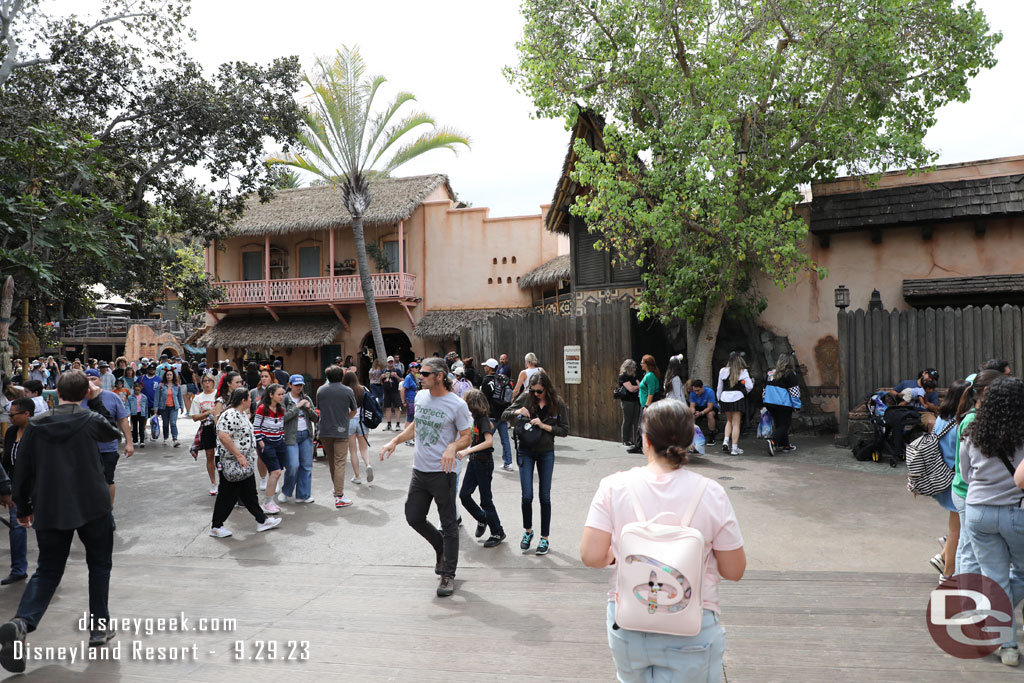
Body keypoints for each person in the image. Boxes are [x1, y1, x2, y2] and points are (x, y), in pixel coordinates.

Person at [580, 398, 745, 682]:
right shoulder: (711, 493)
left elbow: (591, 556)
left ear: (645, 440)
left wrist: (614, 554)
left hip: (629, 623)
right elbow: (734, 570)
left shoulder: (614, 486)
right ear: (690, 438)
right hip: (693, 626)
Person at [0, 370, 121, 672]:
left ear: (56, 392)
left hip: (51, 506)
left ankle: (23, 622)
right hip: (93, 505)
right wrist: (97, 401)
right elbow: (114, 434)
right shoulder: (90, 419)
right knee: (99, 565)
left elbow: (23, 469)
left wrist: (24, 506)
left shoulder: (36, 425)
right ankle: (98, 627)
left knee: (48, 569)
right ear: (84, 393)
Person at [380, 357, 472, 597]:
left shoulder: (457, 405)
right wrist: (395, 440)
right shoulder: (421, 397)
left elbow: (467, 436)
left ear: (440, 376)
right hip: (419, 471)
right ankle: (440, 546)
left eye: (425, 373)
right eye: (420, 372)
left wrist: (453, 447)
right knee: (414, 517)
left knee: (449, 523)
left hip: (443, 473)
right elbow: (415, 424)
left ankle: (447, 574)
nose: (420, 376)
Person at [961, 376, 1024, 667]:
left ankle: (1007, 646)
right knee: (1021, 574)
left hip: (978, 511)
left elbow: (964, 475)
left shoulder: (973, 432)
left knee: (994, 577)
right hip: (1016, 511)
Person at [502, 370, 569, 556]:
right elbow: (504, 415)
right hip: (526, 450)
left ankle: (544, 538)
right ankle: (528, 532)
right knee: (527, 496)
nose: (535, 394)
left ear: (547, 389)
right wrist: (517, 411)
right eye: (533, 391)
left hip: (546, 452)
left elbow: (564, 430)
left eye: (539, 391)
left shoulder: (557, 403)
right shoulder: (526, 397)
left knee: (544, 496)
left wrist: (543, 425)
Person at [209, 388, 282, 539]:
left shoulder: (241, 414)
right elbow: (223, 436)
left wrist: (255, 444)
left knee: (249, 493)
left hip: (243, 461)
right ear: (243, 400)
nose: (251, 400)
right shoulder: (230, 414)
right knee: (227, 495)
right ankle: (216, 526)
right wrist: (239, 455)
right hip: (231, 461)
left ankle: (262, 520)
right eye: (249, 398)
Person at [949, 369, 1001, 580]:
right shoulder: (972, 420)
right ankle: (966, 598)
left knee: (966, 545)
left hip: (967, 490)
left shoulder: (976, 417)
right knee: (969, 550)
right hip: (966, 491)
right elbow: (966, 467)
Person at [928, 379, 970, 582]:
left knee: (956, 528)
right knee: (957, 531)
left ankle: (944, 554)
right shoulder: (959, 423)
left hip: (942, 478)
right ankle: (947, 572)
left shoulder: (941, 419)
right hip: (956, 481)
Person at [457, 389, 505, 548]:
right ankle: (482, 518)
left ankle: (497, 531)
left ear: (472, 404)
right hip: (474, 462)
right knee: (464, 495)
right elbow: (486, 428)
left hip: (483, 463)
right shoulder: (477, 418)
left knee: (486, 500)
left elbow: (489, 441)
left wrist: (467, 450)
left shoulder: (482, 419)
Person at [82, 369, 132, 510]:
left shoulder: (112, 397)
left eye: (93, 379)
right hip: (84, 448)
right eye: (87, 379)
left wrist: (129, 442)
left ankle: (107, 509)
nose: (90, 382)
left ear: (100, 381)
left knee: (107, 479)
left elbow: (122, 420)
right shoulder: (78, 398)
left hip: (107, 447)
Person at [317, 365, 359, 509]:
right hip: (341, 430)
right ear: (341, 376)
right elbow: (354, 410)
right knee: (340, 462)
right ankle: (339, 496)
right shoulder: (347, 391)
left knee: (332, 462)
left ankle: (337, 490)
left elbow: (320, 408)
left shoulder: (320, 390)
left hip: (325, 430)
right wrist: (346, 419)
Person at [1, 398, 33, 586]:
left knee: (45, 527)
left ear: (26, 414)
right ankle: (18, 569)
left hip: (37, 487)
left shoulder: (38, 432)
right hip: (16, 487)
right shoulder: (12, 431)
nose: (10, 418)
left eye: (13, 415)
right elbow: (6, 459)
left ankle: (50, 567)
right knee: (17, 527)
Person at [278, 375, 318, 504]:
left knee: (306, 466)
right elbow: (282, 417)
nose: (299, 388)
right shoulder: (284, 399)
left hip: (306, 434)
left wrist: (308, 408)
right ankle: (286, 491)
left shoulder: (306, 398)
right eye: (296, 385)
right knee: (293, 465)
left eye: (301, 385)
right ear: (290, 385)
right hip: (291, 436)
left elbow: (315, 417)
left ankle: (303, 495)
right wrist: (297, 406)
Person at [252, 383, 287, 514]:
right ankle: (267, 502)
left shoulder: (281, 409)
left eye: (282, 394)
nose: (281, 397)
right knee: (276, 472)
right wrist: (260, 442)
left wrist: (282, 438)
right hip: (267, 444)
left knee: (276, 472)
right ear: (271, 395)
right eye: (279, 394)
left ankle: (270, 501)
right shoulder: (262, 408)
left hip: (279, 443)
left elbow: (282, 427)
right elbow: (256, 427)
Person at [763, 353, 801, 456]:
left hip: (770, 402)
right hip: (783, 404)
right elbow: (794, 392)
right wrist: (797, 406)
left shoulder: (770, 372)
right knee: (785, 424)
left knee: (779, 424)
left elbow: (765, 388)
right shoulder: (790, 374)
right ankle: (773, 441)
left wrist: (764, 400)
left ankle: (786, 445)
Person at [717, 352, 754, 456]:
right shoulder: (742, 371)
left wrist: (719, 399)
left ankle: (725, 441)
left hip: (724, 397)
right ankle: (734, 448)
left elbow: (719, 387)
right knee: (736, 423)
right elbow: (750, 386)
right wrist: (744, 392)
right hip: (737, 398)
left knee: (729, 421)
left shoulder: (722, 371)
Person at [190, 375, 221, 495]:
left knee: (222, 454)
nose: (207, 383)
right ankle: (213, 483)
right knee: (209, 454)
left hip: (220, 427)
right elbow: (194, 417)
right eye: (205, 381)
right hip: (207, 427)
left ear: (214, 382)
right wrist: (208, 413)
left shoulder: (218, 395)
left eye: (209, 381)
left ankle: (224, 481)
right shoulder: (198, 398)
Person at [481, 358, 515, 471]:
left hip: (492, 415)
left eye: (486, 366)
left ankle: (480, 459)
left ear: (490, 368)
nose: (484, 367)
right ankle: (508, 463)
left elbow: (484, 399)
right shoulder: (501, 379)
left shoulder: (486, 380)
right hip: (503, 413)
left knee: (485, 438)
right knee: (505, 439)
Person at [342, 371, 374, 486]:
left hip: (349, 421)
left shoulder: (344, 390)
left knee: (353, 450)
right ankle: (368, 464)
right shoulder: (363, 389)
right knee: (364, 448)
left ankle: (357, 476)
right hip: (362, 422)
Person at [155, 369, 184, 447]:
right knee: (165, 423)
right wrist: (155, 408)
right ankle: (166, 438)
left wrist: (182, 407)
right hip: (164, 407)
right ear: (165, 376)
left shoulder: (177, 386)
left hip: (174, 407)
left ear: (173, 376)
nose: (169, 376)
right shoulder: (161, 385)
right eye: (167, 375)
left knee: (173, 423)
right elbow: (157, 397)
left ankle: (175, 439)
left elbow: (180, 397)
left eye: (170, 375)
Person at [616, 359, 641, 451]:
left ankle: (635, 440)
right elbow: (630, 389)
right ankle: (626, 439)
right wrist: (637, 387)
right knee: (627, 420)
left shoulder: (634, 376)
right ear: (629, 368)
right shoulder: (623, 377)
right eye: (634, 367)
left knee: (636, 420)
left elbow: (640, 386)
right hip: (627, 401)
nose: (635, 369)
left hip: (635, 400)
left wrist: (636, 388)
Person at [688, 379, 718, 446]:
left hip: (711, 407)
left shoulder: (710, 392)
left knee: (710, 414)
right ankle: (693, 437)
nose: (696, 393)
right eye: (695, 391)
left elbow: (710, 407)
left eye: (698, 390)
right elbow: (692, 406)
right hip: (699, 407)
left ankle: (712, 436)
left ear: (702, 387)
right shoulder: (692, 393)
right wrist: (694, 412)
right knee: (691, 416)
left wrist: (701, 413)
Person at [381, 356, 404, 431]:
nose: (390, 363)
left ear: (393, 362)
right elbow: (381, 383)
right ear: (387, 362)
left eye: (392, 361)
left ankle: (398, 424)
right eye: (389, 362)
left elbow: (402, 380)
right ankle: (388, 424)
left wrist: (396, 376)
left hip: (395, 391)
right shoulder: (383, 370)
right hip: (386, 391)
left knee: (397, 407)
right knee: (387, 408)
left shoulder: (397, 370)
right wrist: (381, 378)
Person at [125, 383, 150, 450]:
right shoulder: (130, 397)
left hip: (142, 414)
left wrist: (146, 416)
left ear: (141, 389)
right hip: (134, 413)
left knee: (141, 428)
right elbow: (127, 405)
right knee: (134, 427)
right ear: (133, 389)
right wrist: (128, 413)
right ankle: (135, 440)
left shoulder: (144, 397)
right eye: (135, 390)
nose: (137, 391)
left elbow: (146, 407)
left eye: (138, 390)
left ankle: (142, 441)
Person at [400, 363, 421, 439]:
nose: (417, 368)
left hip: (416, 399)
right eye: (415, 367)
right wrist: (403, 401)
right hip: (410, 400)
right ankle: (406, 438)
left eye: (417, 367)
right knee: (409, 418)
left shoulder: (416, 376)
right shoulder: (408, 377)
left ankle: (411, 436)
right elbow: (403, 389)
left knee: (414, 418)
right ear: (411, 368)